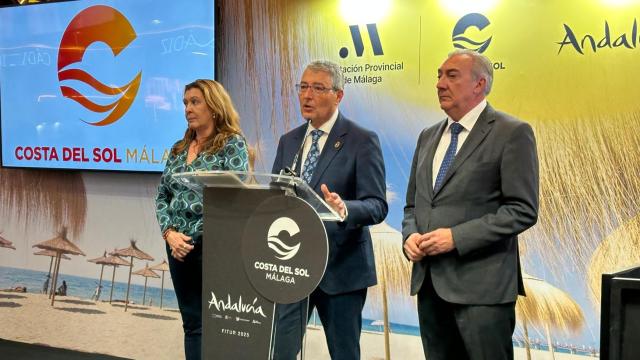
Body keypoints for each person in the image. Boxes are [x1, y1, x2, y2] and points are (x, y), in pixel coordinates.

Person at [402, 49, 539, 360]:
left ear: (480, 84)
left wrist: (456, 238)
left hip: (483, 291)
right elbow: (413, 205)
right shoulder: (427, 136)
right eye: (438, 75)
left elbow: (522, 210)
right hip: (429, 286)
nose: (439, 83)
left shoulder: (512, 132)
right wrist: (408, 237)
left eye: (451, 75)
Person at [271, 60, 388, 359]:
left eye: (318, 88)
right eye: (303, 87)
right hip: (293, 266)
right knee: (281, 352)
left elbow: (377, 205)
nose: (307, 95)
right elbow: (274, 197)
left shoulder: (362, 140)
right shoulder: (289, 141)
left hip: (341, 269)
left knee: (344, 353)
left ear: (338, 95)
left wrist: (344, 208)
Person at [155, 79, 249, 360]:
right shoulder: (177, 149)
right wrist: (170, 234)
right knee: (193, 324)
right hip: (177, 247)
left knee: (219, 323)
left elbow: (234, 196)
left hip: (214, 245)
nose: (188, 109)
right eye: (185, 103)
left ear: (214, 106)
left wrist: (192, 237)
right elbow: (162, 197)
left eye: (195, 102)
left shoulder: (232, 144)